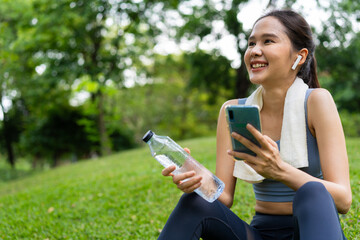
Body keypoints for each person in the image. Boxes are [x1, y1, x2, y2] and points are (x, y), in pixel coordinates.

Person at [158, 9, 352, 240]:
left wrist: (279, 170)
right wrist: (197, 180)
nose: (254, 51)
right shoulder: (232, 111)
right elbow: (224, 198)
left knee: (312, 192)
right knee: (194, 202)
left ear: (299, 56)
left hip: (314, 229)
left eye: (268, 41)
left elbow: (343, 200)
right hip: (260, 234)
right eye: (251, 43)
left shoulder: (317, 101)